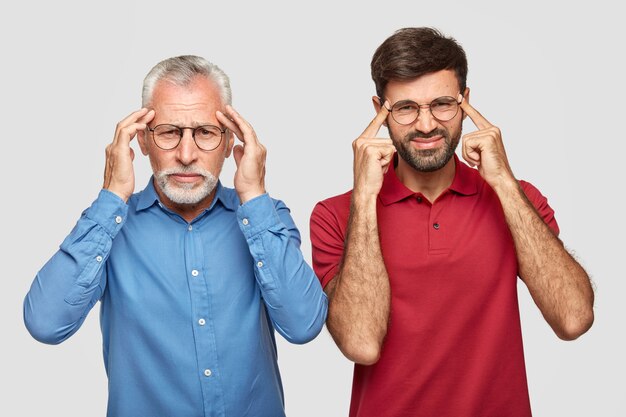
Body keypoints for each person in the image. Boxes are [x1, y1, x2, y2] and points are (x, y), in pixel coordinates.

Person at [310, 27, 594, 417]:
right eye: (406, 108)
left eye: (442, 104)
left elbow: (574, 319)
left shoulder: (516, 198)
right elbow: (361, 343)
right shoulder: (337, 214)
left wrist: (505, 184)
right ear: (380, 110)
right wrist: (365, 197)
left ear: (465, 102)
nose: (426, 125)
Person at [24, 55, 328, 417]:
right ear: (142, 140)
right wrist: (111, 198)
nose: (186, 154)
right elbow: (45, 324)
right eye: (169, 132)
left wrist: (255, 197)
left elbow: (304, 325)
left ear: (230, 141)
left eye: (205, 133)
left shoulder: (266, 216)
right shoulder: (107, 228)